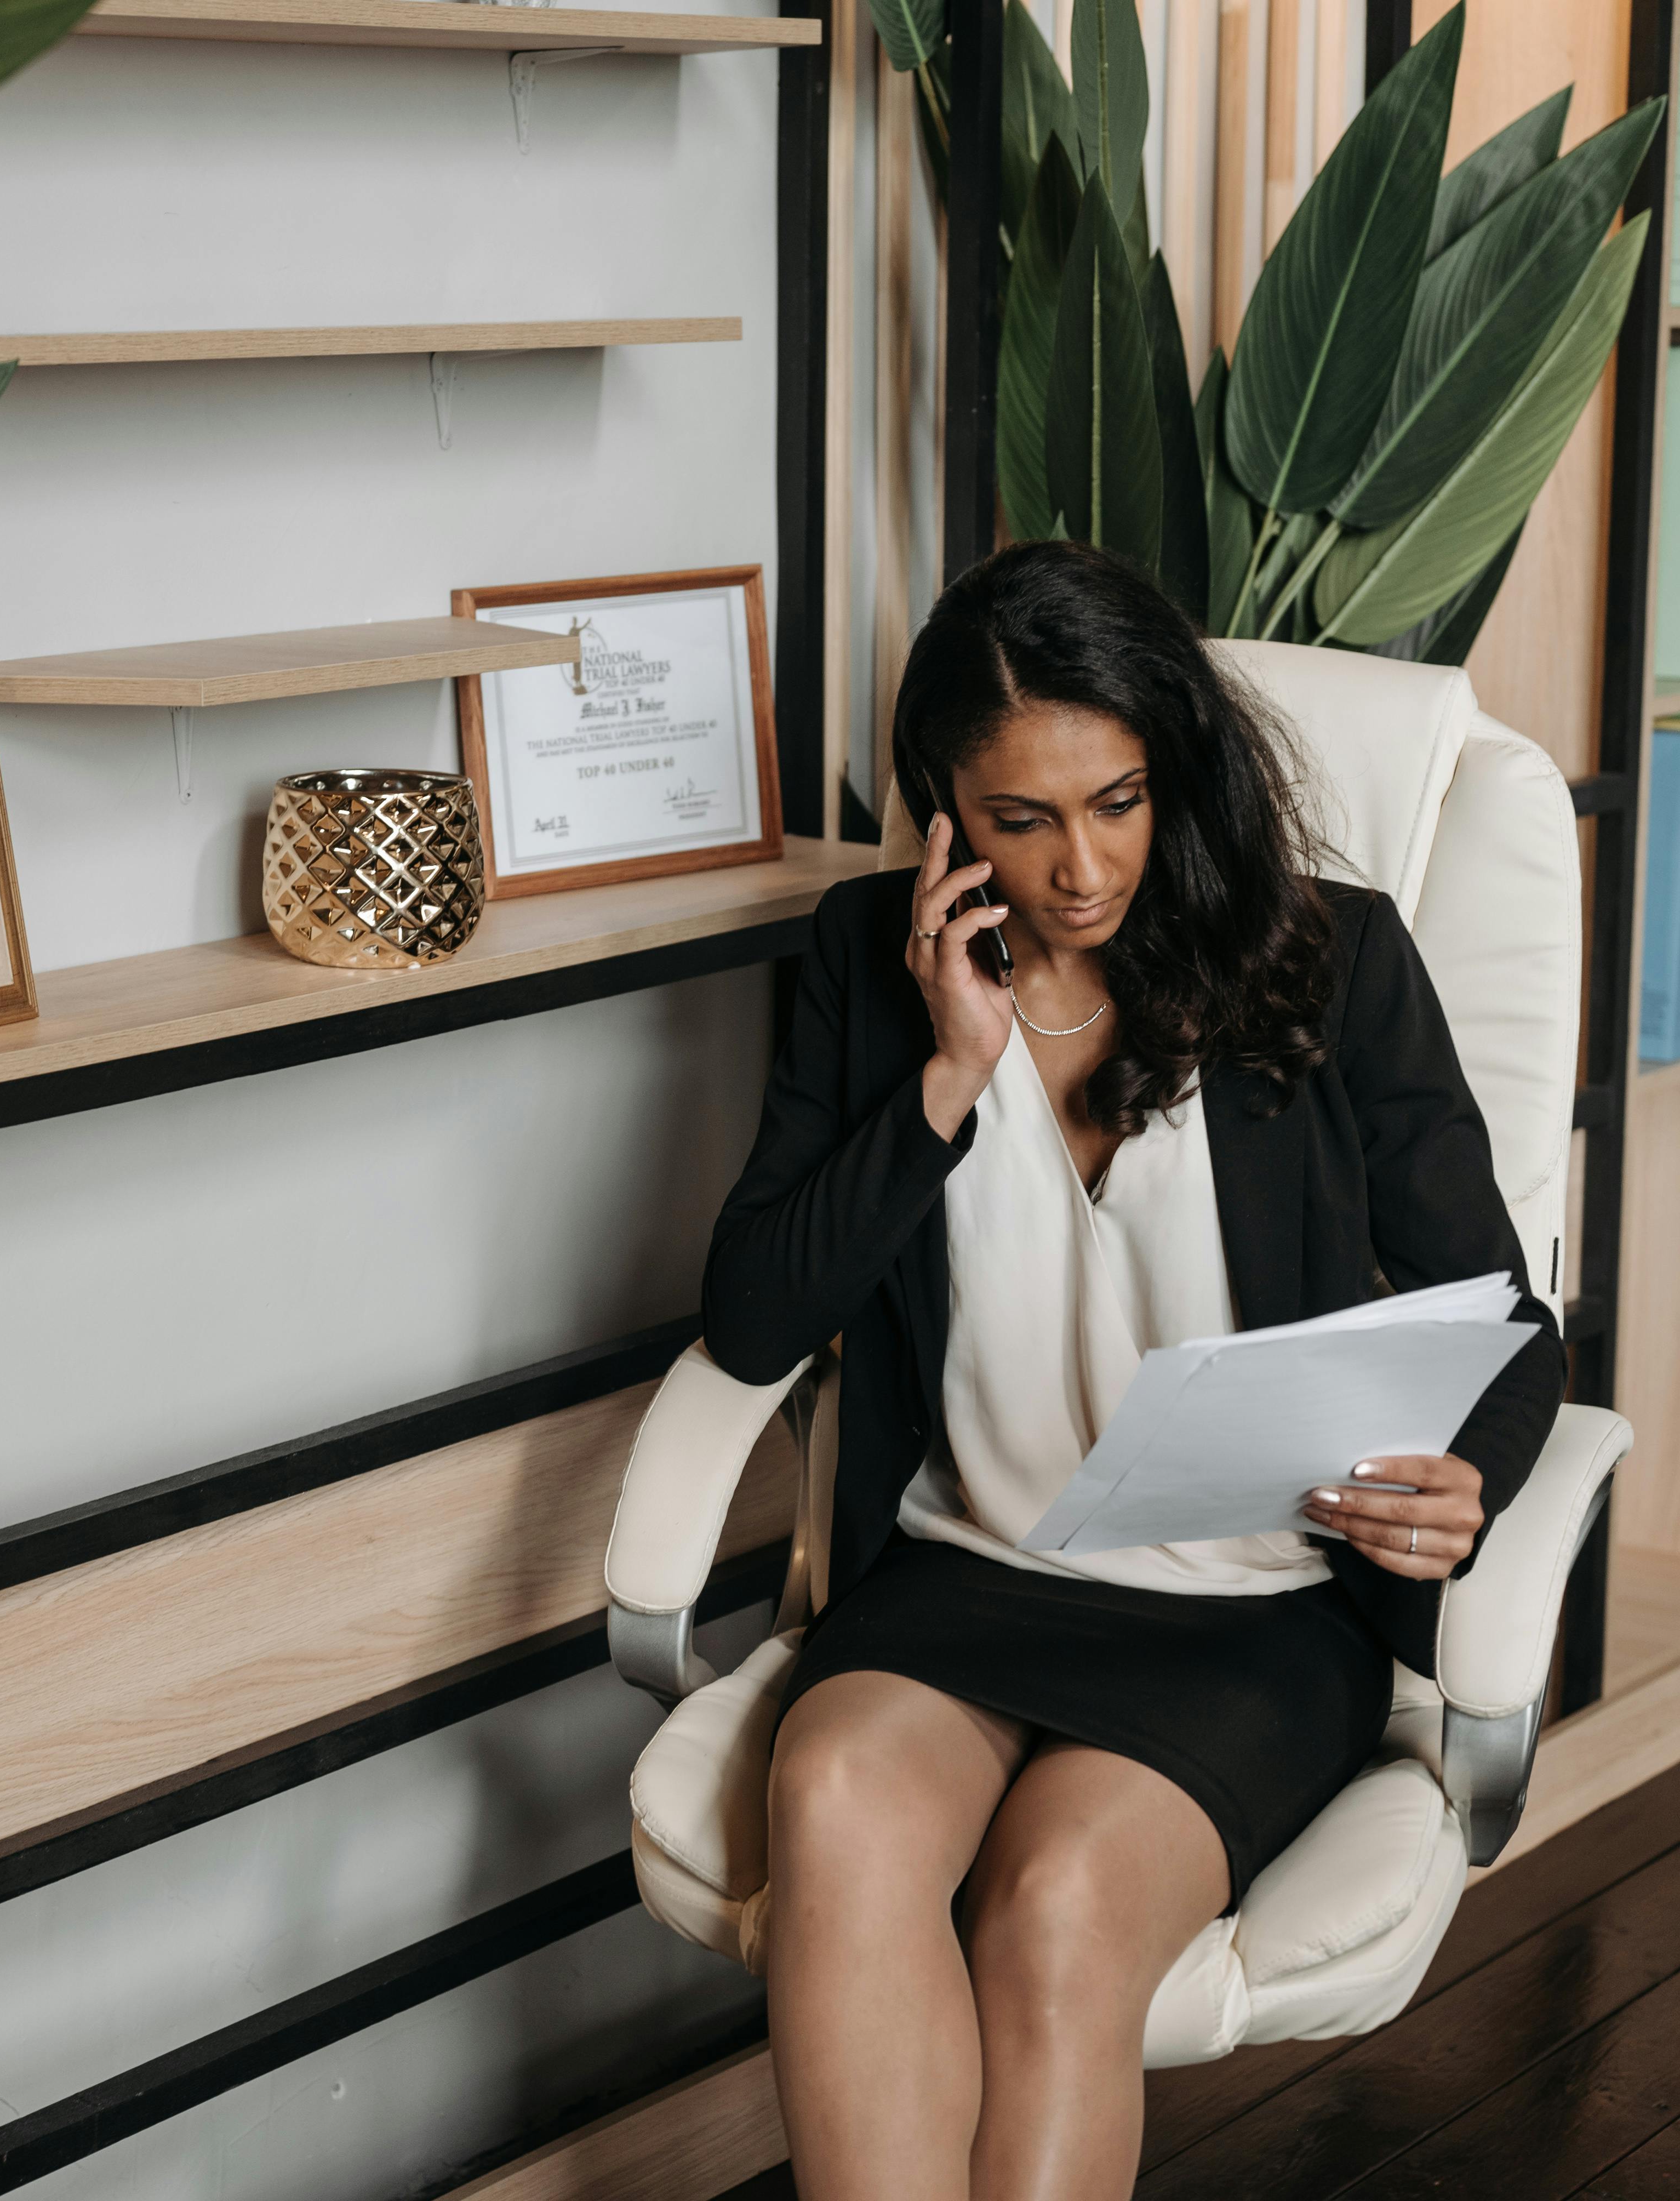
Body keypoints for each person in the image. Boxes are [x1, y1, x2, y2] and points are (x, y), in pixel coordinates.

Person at [700, 540, 1563, 2199]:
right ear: (945, 809)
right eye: (1022, 822)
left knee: (1058, 1910)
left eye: (1118, 800)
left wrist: (1469, 1485)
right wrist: (946, 1081)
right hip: (965, 1575)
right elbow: (751, 1317)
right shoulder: (873, 969)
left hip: (1247, 1612)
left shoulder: (1335, 964)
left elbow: (1508, 1322)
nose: (1081, 867)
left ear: (1177, 771)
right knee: (836, 1799)